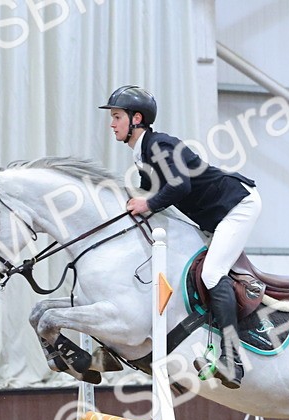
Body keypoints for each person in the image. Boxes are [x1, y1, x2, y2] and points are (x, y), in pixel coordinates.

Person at [100, 85, 261, 389]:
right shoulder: (143, 155)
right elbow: (150, 195)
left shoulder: (159, 145)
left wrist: (146, 203)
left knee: (213, 273)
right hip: (214, 214)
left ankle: (231, 358)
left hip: (237, 205)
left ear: (137, 119)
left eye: (117, 116)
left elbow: (179, 188)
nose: (112, 123)